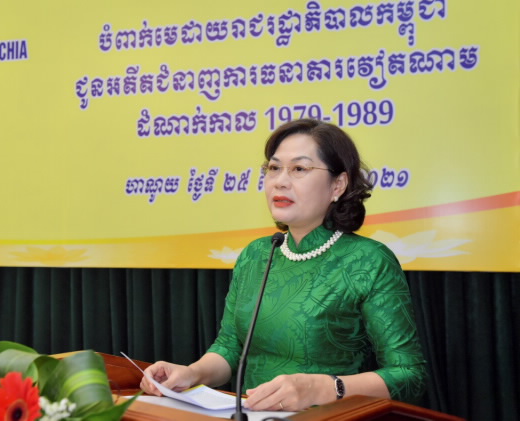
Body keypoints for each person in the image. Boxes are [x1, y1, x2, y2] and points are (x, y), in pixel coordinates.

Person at [140, 118, 427, 411]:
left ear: (338, 185)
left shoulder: (369, 260)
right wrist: (192, 373)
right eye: (274, 168)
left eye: (299, 169)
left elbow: (410, 376)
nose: (280, 181)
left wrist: (326, 388)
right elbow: (230, 347)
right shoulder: (257, 254)